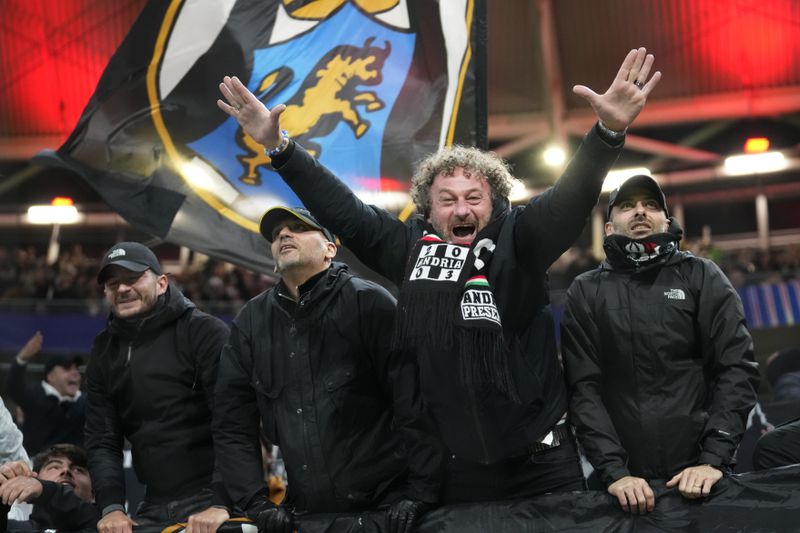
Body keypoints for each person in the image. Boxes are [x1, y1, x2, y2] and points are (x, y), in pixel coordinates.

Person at [217, 47, 661, 502]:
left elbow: (569, 198)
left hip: (542, 464)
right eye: (447, 199)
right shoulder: (407, 249)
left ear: (495, 205)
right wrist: (281, 149)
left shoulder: (521, 239)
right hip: (457, 471)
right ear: (429, 213)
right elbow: (343, 211)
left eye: (474, 197)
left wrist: (607, 133)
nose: (462, 208)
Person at [213, 207, 441, 532]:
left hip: (384, 510)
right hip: (305, 513)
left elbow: (415, 405)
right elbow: (232, 423)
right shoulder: (251, 321)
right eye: (277, 235)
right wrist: (255, 502)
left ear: (330, 249)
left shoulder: (369, 302)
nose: (284, 235)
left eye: (298, 228)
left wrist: (420, 492)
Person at [561, 175, 760, 514]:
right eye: (627, 206)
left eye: (651, 205)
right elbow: (583, 388)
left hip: (703, 476)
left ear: (667, 221)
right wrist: (614, 473)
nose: (640, 211)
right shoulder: (585, 290)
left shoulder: (701, 275)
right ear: (609, 228)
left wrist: (713, 460)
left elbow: (736, 368)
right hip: (621, 488)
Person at [85, 242, 231, 533]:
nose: (122, 289)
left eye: (133, 278)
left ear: (162, 283)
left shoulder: (205, 331)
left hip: (214, 497)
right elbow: (102, 439)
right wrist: (112, 507)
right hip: (153, 503)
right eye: (113, 283)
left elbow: (234, 423)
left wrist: (222, 502)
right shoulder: (104, 348)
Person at [4, 331, 86, 455]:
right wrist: (22, 358)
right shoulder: (35, 395)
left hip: (73, 468)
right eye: (67, 368)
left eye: (76, 369)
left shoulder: (86, 402)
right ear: (51, 376)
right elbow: (13, 388)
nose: (75, 373)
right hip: (35, 467)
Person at [1, 444, 98, 531]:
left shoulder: (106, 526)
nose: (66, 470)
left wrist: (48, 490)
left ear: (93, 492)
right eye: (54, 467)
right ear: (34, 477)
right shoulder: (11, 528)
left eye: (78, 470)